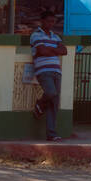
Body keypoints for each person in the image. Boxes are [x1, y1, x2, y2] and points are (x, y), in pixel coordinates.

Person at [30, 10, 67, 141]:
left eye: (53, 21)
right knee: (51, 93)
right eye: (48, 21)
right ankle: (39, 104)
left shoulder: (55, 36)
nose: (51, 24)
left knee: (54, 103)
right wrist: (54, 50)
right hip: (43, 71)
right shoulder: (36, 35)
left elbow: (64, 50)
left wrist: (49, 50)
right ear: (42, 21)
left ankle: (51, 134)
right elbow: (41, 51)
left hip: (56, 70)